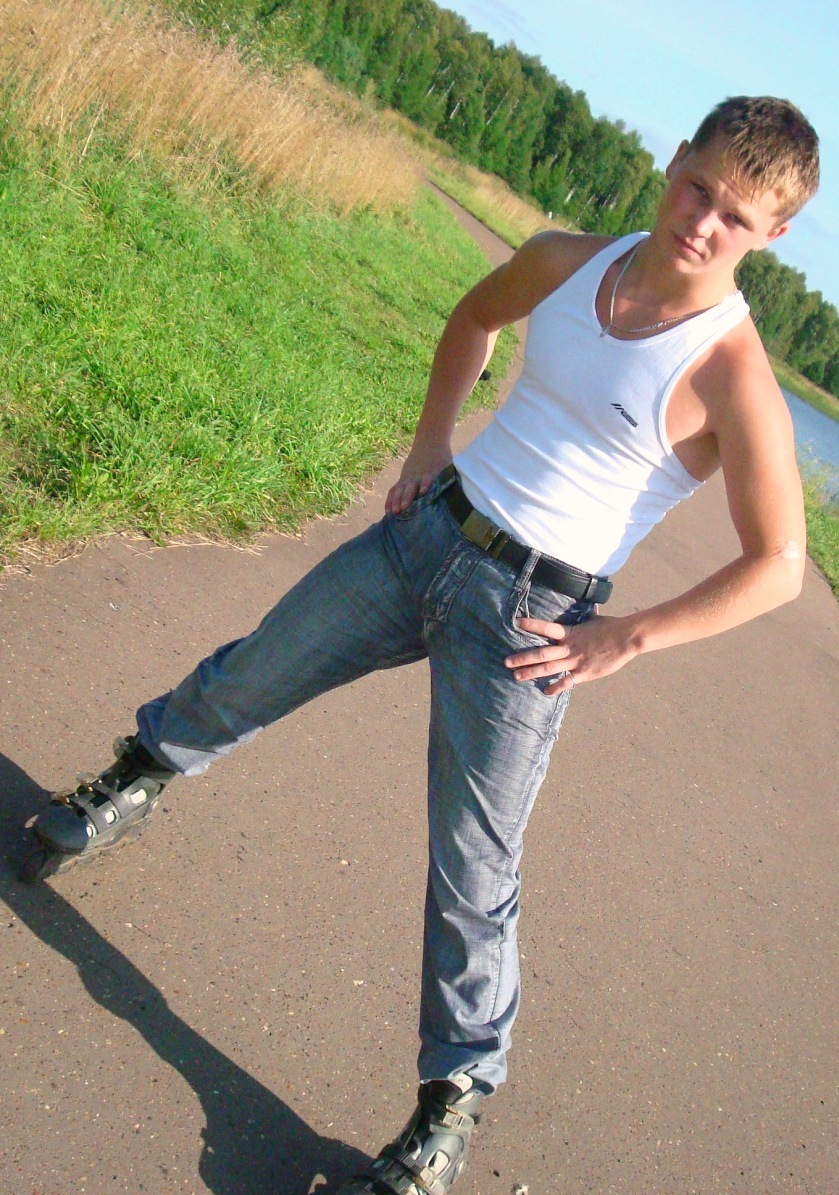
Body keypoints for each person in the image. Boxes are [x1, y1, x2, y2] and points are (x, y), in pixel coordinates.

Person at [24, 96, 820, 1194]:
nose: (702, 221)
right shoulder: (565, 260)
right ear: (673, 158)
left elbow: (778, 563)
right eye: (697, 187)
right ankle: (134, 776)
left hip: (533, 621)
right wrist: (430, 441)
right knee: (254, 669)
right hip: (427, 534)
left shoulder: (733, 374)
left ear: (771, 234)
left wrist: (626, 637)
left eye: (735, 215)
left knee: (473, 868)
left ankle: (448, 1104)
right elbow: (471, 319)